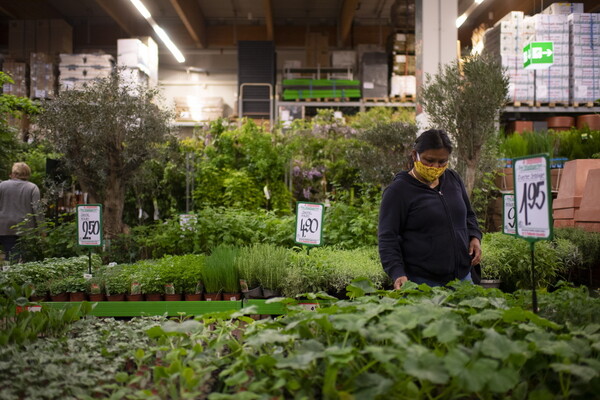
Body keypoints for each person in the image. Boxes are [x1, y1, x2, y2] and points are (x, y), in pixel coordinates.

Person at [378, 129, 482, 289]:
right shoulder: (398, 191)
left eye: (442, 162)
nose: (435, 167)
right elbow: (387, 238)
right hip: (423, 283)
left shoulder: (453, 179)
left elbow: (468, 215)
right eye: (429, 160)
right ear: (415, 155)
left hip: (463, 278)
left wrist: (475, 237)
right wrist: (397, 272)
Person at [0, 162, 41, 263]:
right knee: (26, 258)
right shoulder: (33, 187)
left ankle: (8, 274)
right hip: (26, 228)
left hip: (5, 227)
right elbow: (38, 210)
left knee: (10, 255)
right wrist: (42, 229)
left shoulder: (2, 185)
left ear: (14, 172)